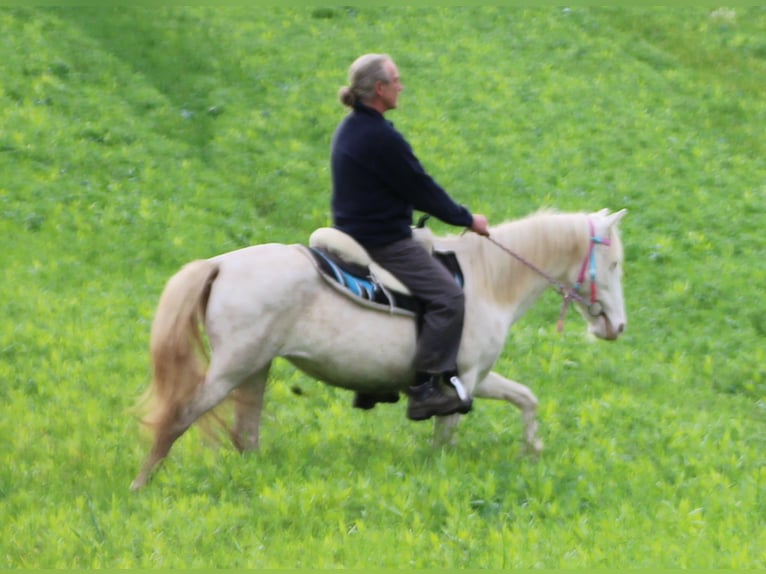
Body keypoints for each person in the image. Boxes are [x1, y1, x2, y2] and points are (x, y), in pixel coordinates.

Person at [330, 53, 490, 421]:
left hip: (351, 230)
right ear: (381, 89)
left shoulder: (351, 127)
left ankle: (373, 382)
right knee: (448, 298)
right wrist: (467, 219)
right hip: (381, 240)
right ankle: (424, 389)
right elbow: (420, 187)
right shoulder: (381, 137)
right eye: (397, 80)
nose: (402, 86)